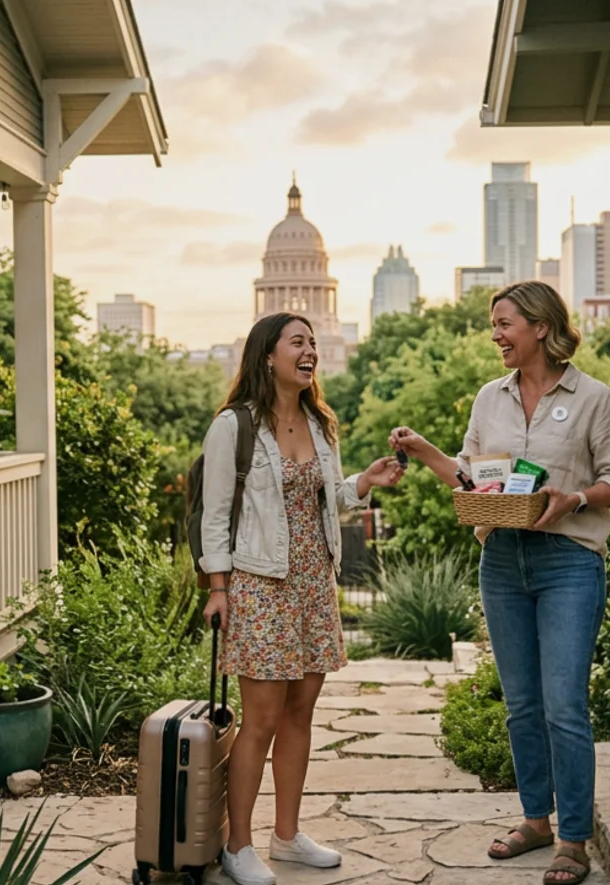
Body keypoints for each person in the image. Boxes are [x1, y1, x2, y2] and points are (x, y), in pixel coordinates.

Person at [389, 281, 610, 885]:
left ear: (541, 328)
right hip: (501, 558)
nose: (495, 335)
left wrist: (574, 496)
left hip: (569, 561)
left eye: (504, 324)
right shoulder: (488, 399)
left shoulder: (594, 399)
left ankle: (573, 838)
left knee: (565, 707)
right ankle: (535, 820)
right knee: (521, 705)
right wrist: (423, 451)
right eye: (494, 325)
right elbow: (474, 479)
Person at [199, 311, 403, 885]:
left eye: (312, 342)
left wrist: (364, 483)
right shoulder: (234, 427)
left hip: (315, 581)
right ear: (268, 355)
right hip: (260, 584)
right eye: (298, 342)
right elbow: (216, 517)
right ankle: (237, 846)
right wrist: (219, 588)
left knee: (300, 714)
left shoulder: (320, 423)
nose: (309, 350)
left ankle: (285, 836)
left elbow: (327, 497)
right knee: (260, 720)